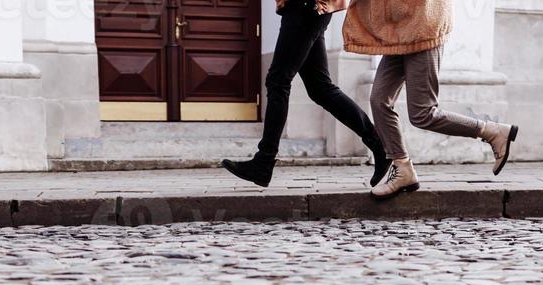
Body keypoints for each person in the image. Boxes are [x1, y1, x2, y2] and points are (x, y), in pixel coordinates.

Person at [343, 0, 520, 199]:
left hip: (423, 24)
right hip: (400, 31)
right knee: (379, 100)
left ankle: (492, 132)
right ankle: (403, 169)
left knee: (423, 113)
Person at [223, 0, 390, 189]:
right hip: (308, 9)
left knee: (278, 81)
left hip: (305, 7)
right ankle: (379, 145)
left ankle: (264, 161)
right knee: (320, 89)